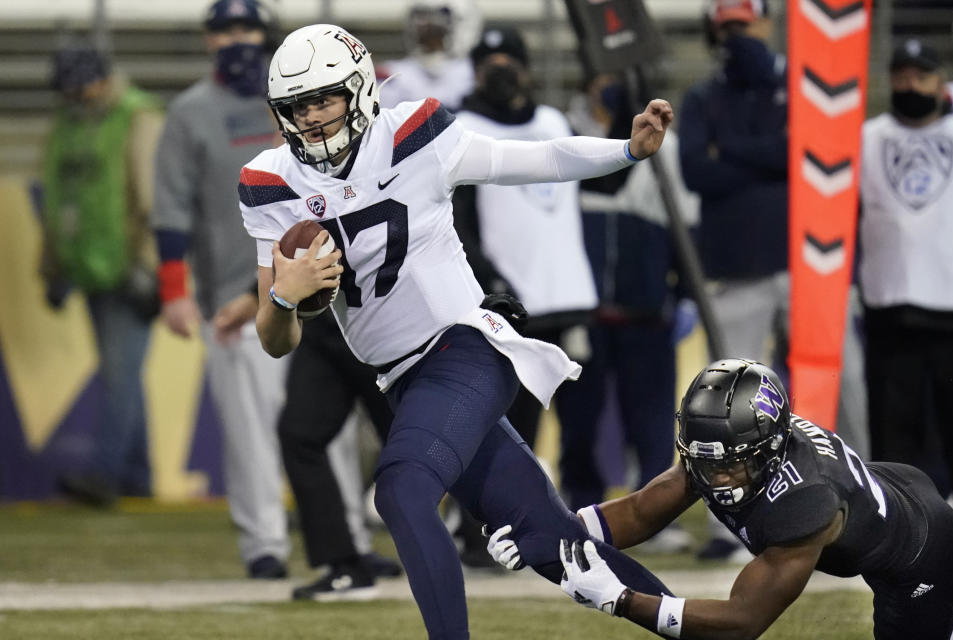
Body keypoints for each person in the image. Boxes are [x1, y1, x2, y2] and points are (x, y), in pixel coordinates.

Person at [241, 24, 675, 639]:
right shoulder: (270, 184)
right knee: (554, 545)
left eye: (323, 100)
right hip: (401, 380)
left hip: (464, 347)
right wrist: (286, 295)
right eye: (297, 107)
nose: (311, 119)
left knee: (402, 490)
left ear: (361, 90)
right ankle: (709, 629)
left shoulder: (416, 134)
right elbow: (275, 337)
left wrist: (624, 150)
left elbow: (536, 159)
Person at [488, 359, 953, 639]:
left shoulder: (807, 503)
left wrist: (622, 600)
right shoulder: (723, 448)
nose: (716, 477)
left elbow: (742, 623)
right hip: (888, 487)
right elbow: (638, 510)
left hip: (918, 551)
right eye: (704, 463)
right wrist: (549, 530)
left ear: (771, 451)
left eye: (730, 464)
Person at [679, 0, 869, 559]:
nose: (739, 35)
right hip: (736, 267)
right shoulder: (702, 95)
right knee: (725, 402)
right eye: (729, 26)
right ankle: (731, 520)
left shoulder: (807, 84)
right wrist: (776, 157)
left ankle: (862, 500)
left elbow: (816, 151)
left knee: (847, 381)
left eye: (746, 23)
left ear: (768, 21)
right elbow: (696, 171)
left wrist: (732, 150)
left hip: (812, 262)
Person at [151, 0, 291, 579]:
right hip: (231, 300)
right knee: (249, 429)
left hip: (315, 286)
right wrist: (175, 291)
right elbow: (171, 205)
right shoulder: (190, 112)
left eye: (247, 28)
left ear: (265, 34)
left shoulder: (298, 98)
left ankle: (346, 535)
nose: (237, 40)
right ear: (208, 40)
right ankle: (265, 543)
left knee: (326, 427)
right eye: (225, 30)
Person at [560, 72, 698, 554]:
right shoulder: (568, 133)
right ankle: (579, 507)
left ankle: (657, 515)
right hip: (585, 309)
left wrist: (681, 294)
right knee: (579, 417)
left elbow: (686, 222)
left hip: (646, 309)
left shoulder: (670, 148)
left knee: (652, 418)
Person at [454, 26, 598, 452]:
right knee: (513, 429)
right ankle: (493, 518)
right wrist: (490, 281)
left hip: (570, 301)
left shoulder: (554, 121)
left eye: (509, 64)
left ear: (527, 70)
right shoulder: (463, 130)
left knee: (582, 430)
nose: (499, 73)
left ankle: (576, 515)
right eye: (488, 66)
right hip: (509, 306)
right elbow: (457, 224)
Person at [41, 43, 163, 507]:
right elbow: (58, 200)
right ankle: (137, 476)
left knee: (119, 376)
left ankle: (106, 475)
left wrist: (154, 268)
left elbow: (153, 197)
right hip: (89, 267)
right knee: (123, 375)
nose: (70, 95)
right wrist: (53, 267)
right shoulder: (71, 124)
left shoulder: (138, 117)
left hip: (129, 270)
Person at [859, 39, 953, 505]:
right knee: (894, 432)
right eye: (900, 75)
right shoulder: (867, 136)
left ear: (941, 82)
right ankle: (900, 526)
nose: (909, 85)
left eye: (921, 75)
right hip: (889, 304)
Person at [281, 313, 402, 600]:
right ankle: (344, 565)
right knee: (300, 435)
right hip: (324, 324)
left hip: (387, 327)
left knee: (420, 442)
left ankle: (496, 535)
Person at [376, 0, 481, 111]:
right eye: (421, 20)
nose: (425, 30)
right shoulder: (392, 74)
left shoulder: (473, 73)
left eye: (437, 32)